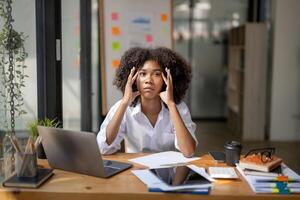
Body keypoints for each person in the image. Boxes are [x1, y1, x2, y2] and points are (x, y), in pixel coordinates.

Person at [97, 47, 197, 157]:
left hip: (171, 173)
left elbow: (189, 152)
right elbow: (103, 148)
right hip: (136, 172)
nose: (149, 80)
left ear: (168, 79)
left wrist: (171, 105)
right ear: (133, 79)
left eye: (157, 74)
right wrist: (125, 102)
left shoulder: (179, 108)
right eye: (142, 74)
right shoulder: (123, 107)